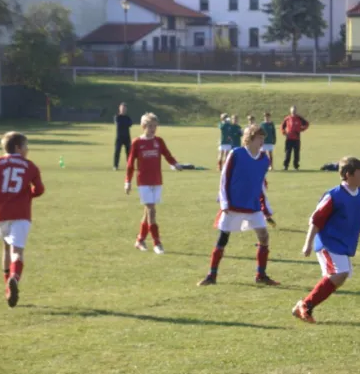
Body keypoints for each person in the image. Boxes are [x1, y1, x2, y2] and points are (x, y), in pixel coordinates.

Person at [292, 157, 360, 324]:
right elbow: (315, 220)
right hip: (328, 243)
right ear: (348, 175)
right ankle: (306, 305)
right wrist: (308, 244)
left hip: (343, 245)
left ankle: (304, 306)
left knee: (339, 276)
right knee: (339, 273)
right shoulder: (334, 196)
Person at [197, 125, 280, 287]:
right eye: (259, 138)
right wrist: (225, 202)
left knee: (264, 237)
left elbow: (260, 185)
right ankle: (211, 275)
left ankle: (260, 274)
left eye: (263, 138)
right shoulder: (236, 154)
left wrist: (266, 208)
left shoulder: (264, 159)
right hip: (234, 205)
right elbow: (224, 178)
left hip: (253, 205)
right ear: (250, 138)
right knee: (223, 238)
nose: (262, 141)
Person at [0, 132, 45, 308]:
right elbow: (39, 190)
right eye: (26, 146)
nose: (27, 149)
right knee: (17, 251)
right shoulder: (30, 166)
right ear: (18, 147)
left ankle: (7, 288)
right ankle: (14, 278)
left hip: (0, 213)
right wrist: (26, 196)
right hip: (21, 213)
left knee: (6, 247)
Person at [125, 113, 183, 254]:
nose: (153, 129)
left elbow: (167, 154)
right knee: (151, 210)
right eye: (150, 126)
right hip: (143, 181)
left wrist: (175, 164)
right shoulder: (137, 142)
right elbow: (130, 163)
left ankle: (140, 240)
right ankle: (157, 243)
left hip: (157, 180)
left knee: (148, 212)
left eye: (155, 126)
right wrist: (127, 181)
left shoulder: (159, 141)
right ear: (143, 126)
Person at [281, 105, 309, 170]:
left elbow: (307, 124)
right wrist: (284, 133)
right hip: (289, 139)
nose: (293, 112)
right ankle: (286, 166)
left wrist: (302, 129)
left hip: (296, 139)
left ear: (296, 111)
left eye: (294, 110)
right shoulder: (287, 118)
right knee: (287, 153)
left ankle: (296, 166)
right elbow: (282, 126)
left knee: (296, 153)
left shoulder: (299, 118)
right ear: (290, 111)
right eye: (292, 110)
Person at [113, 102, 133, 171]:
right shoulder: (117, 117)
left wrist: (125, 124)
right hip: (119, 137)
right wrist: (125, 124)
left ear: (126, 109)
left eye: (124, 108)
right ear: (119, 108)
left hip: (127, 137)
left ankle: (129, 165)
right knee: (117, 151)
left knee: (129, 152)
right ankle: (115, 166)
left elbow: (130, 124)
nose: (123, 109)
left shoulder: (128, 117)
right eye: (122, 108)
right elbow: (119, 124)